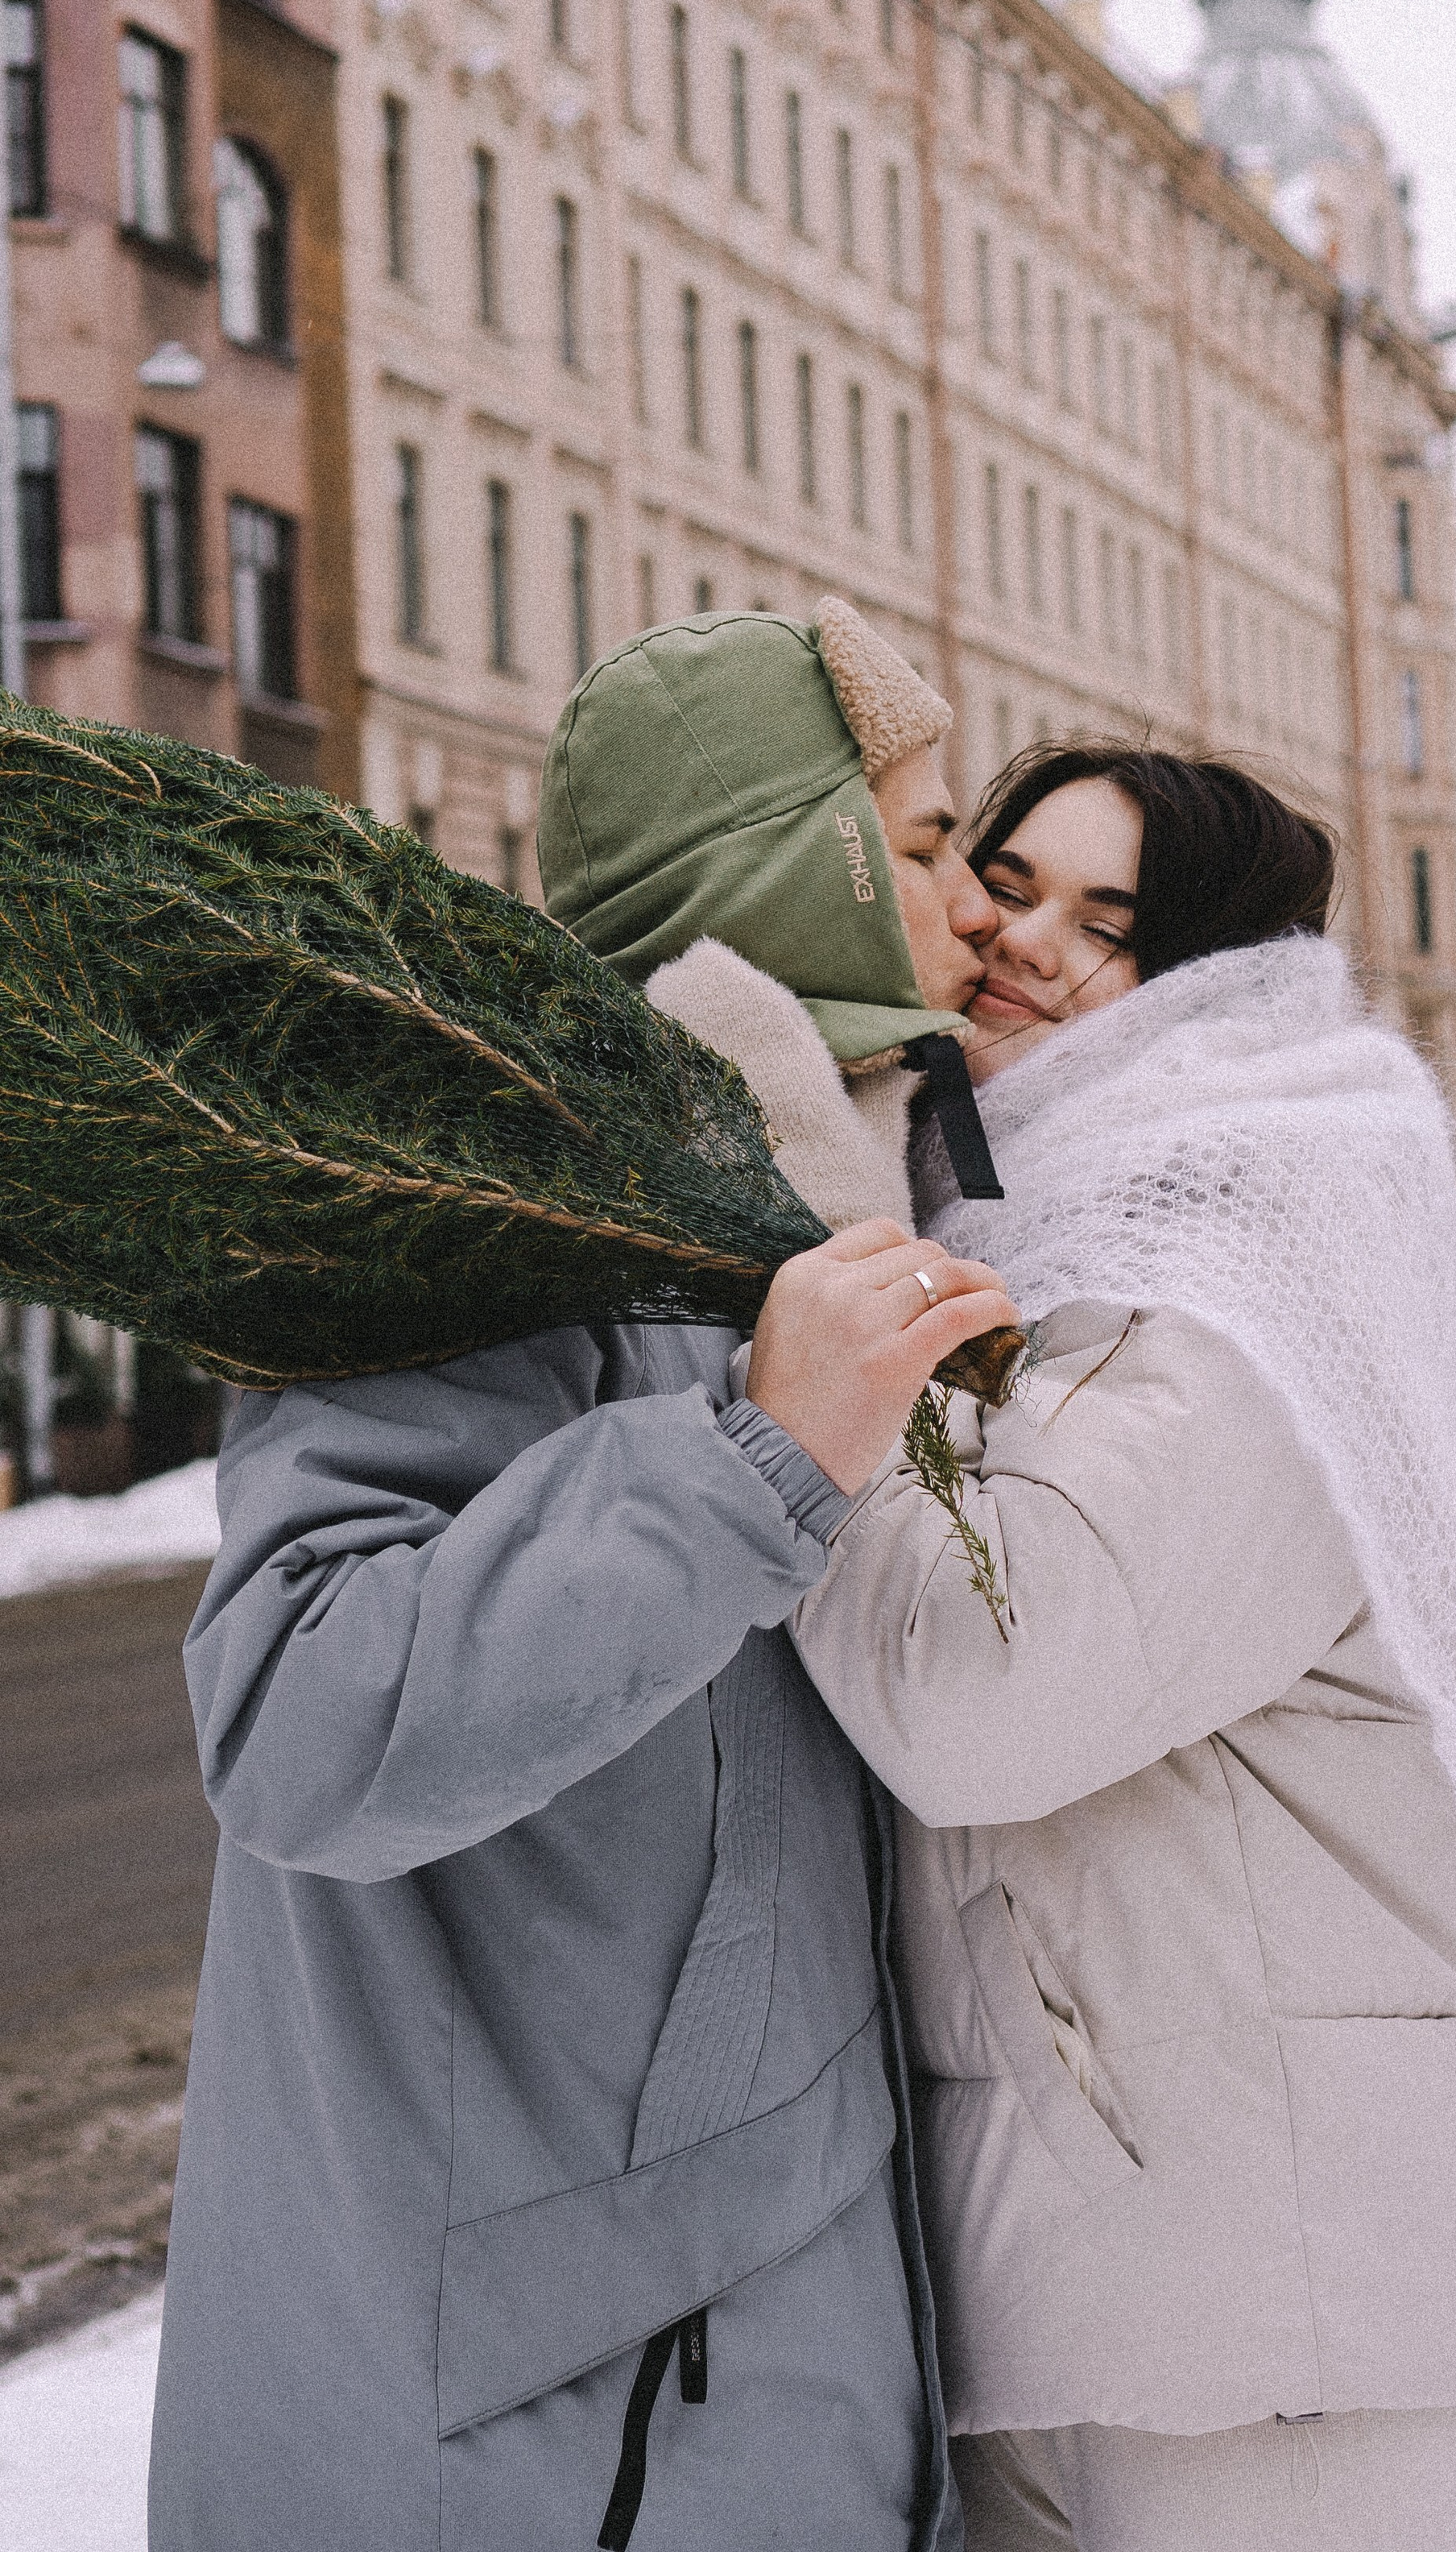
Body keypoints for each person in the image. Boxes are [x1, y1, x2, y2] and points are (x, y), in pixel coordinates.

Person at [150, 603, 1016, 2552]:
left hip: (750, 2391)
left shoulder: (808, 1218)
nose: (972, 910)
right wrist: (746, 1462)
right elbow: (300, 1721)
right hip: (540, 2440)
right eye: (925, 844)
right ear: (788, 862)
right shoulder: (485, 1210)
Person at [792, 744, 1456, 2552]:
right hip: (1117, 2244)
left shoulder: (1256, 1246)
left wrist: (800, 1421)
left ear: (1215, 990)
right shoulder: (1018, 1224)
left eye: (1115, 927)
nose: (1026, 944)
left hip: (1278, 2285)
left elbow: (983, 1698)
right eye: (1006, 880)